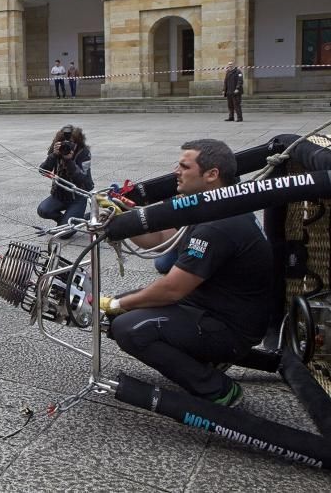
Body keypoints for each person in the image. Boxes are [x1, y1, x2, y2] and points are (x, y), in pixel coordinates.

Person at [101, 139, 273, 407]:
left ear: (211, 174)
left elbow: (172, 289)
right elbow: (159, 240)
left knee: (128, 326)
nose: (175, 171)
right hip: (208, 306)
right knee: (116, 314)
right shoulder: (215, 204)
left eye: (184, 166)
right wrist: (123, 219)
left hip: (230, 328)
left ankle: (218, 390)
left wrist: (118, 304)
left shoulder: (220, 224)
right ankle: (203, 359)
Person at [37, 125, 93, 238]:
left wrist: (69, 161)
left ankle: (80, 219)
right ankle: (71, 221)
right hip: (59, 195)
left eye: (71, 143)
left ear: (78, 142)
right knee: (43, 210)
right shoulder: (57, 150)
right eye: (63, 142)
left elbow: (82, 179)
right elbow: (43, 171)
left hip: (77, 196)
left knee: (64, 235)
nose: (67, 146)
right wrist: (53, 155)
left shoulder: (84, 153)